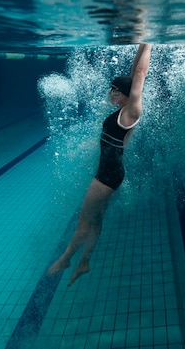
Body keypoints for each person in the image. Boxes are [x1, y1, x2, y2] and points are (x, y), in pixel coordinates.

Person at [47, 43, 152, 286]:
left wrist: (148, 40)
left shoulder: (131, 113)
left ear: (126, 94)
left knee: (84, 221)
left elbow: (139, 75)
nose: (111, 92)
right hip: (110, 173)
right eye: (111, 88)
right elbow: (133, 72)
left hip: (106, 177)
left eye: (115, 89)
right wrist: (141, 45)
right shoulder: (122, 110)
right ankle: (84, 262)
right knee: (96, 219)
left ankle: (66, 259)